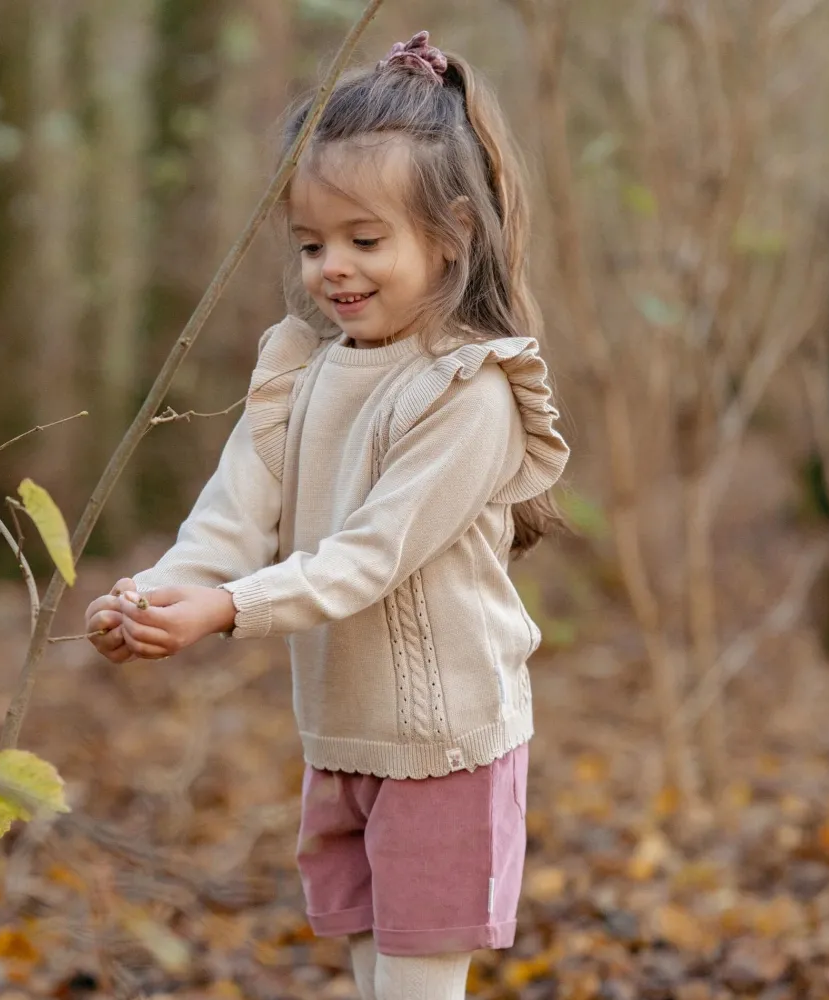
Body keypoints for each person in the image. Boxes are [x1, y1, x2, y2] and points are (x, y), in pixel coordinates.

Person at [84, 30, 570, 1000]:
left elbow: (367, 555)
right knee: (370, 976)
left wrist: (225, 610)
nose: (331, 270)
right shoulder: (302, 369)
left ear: (451, 234)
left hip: (444, 746)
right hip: (342, 738)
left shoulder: (467, 389)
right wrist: (160, 594)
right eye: (311, 244)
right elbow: (236, 509)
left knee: (414, 985)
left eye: (364, 240)